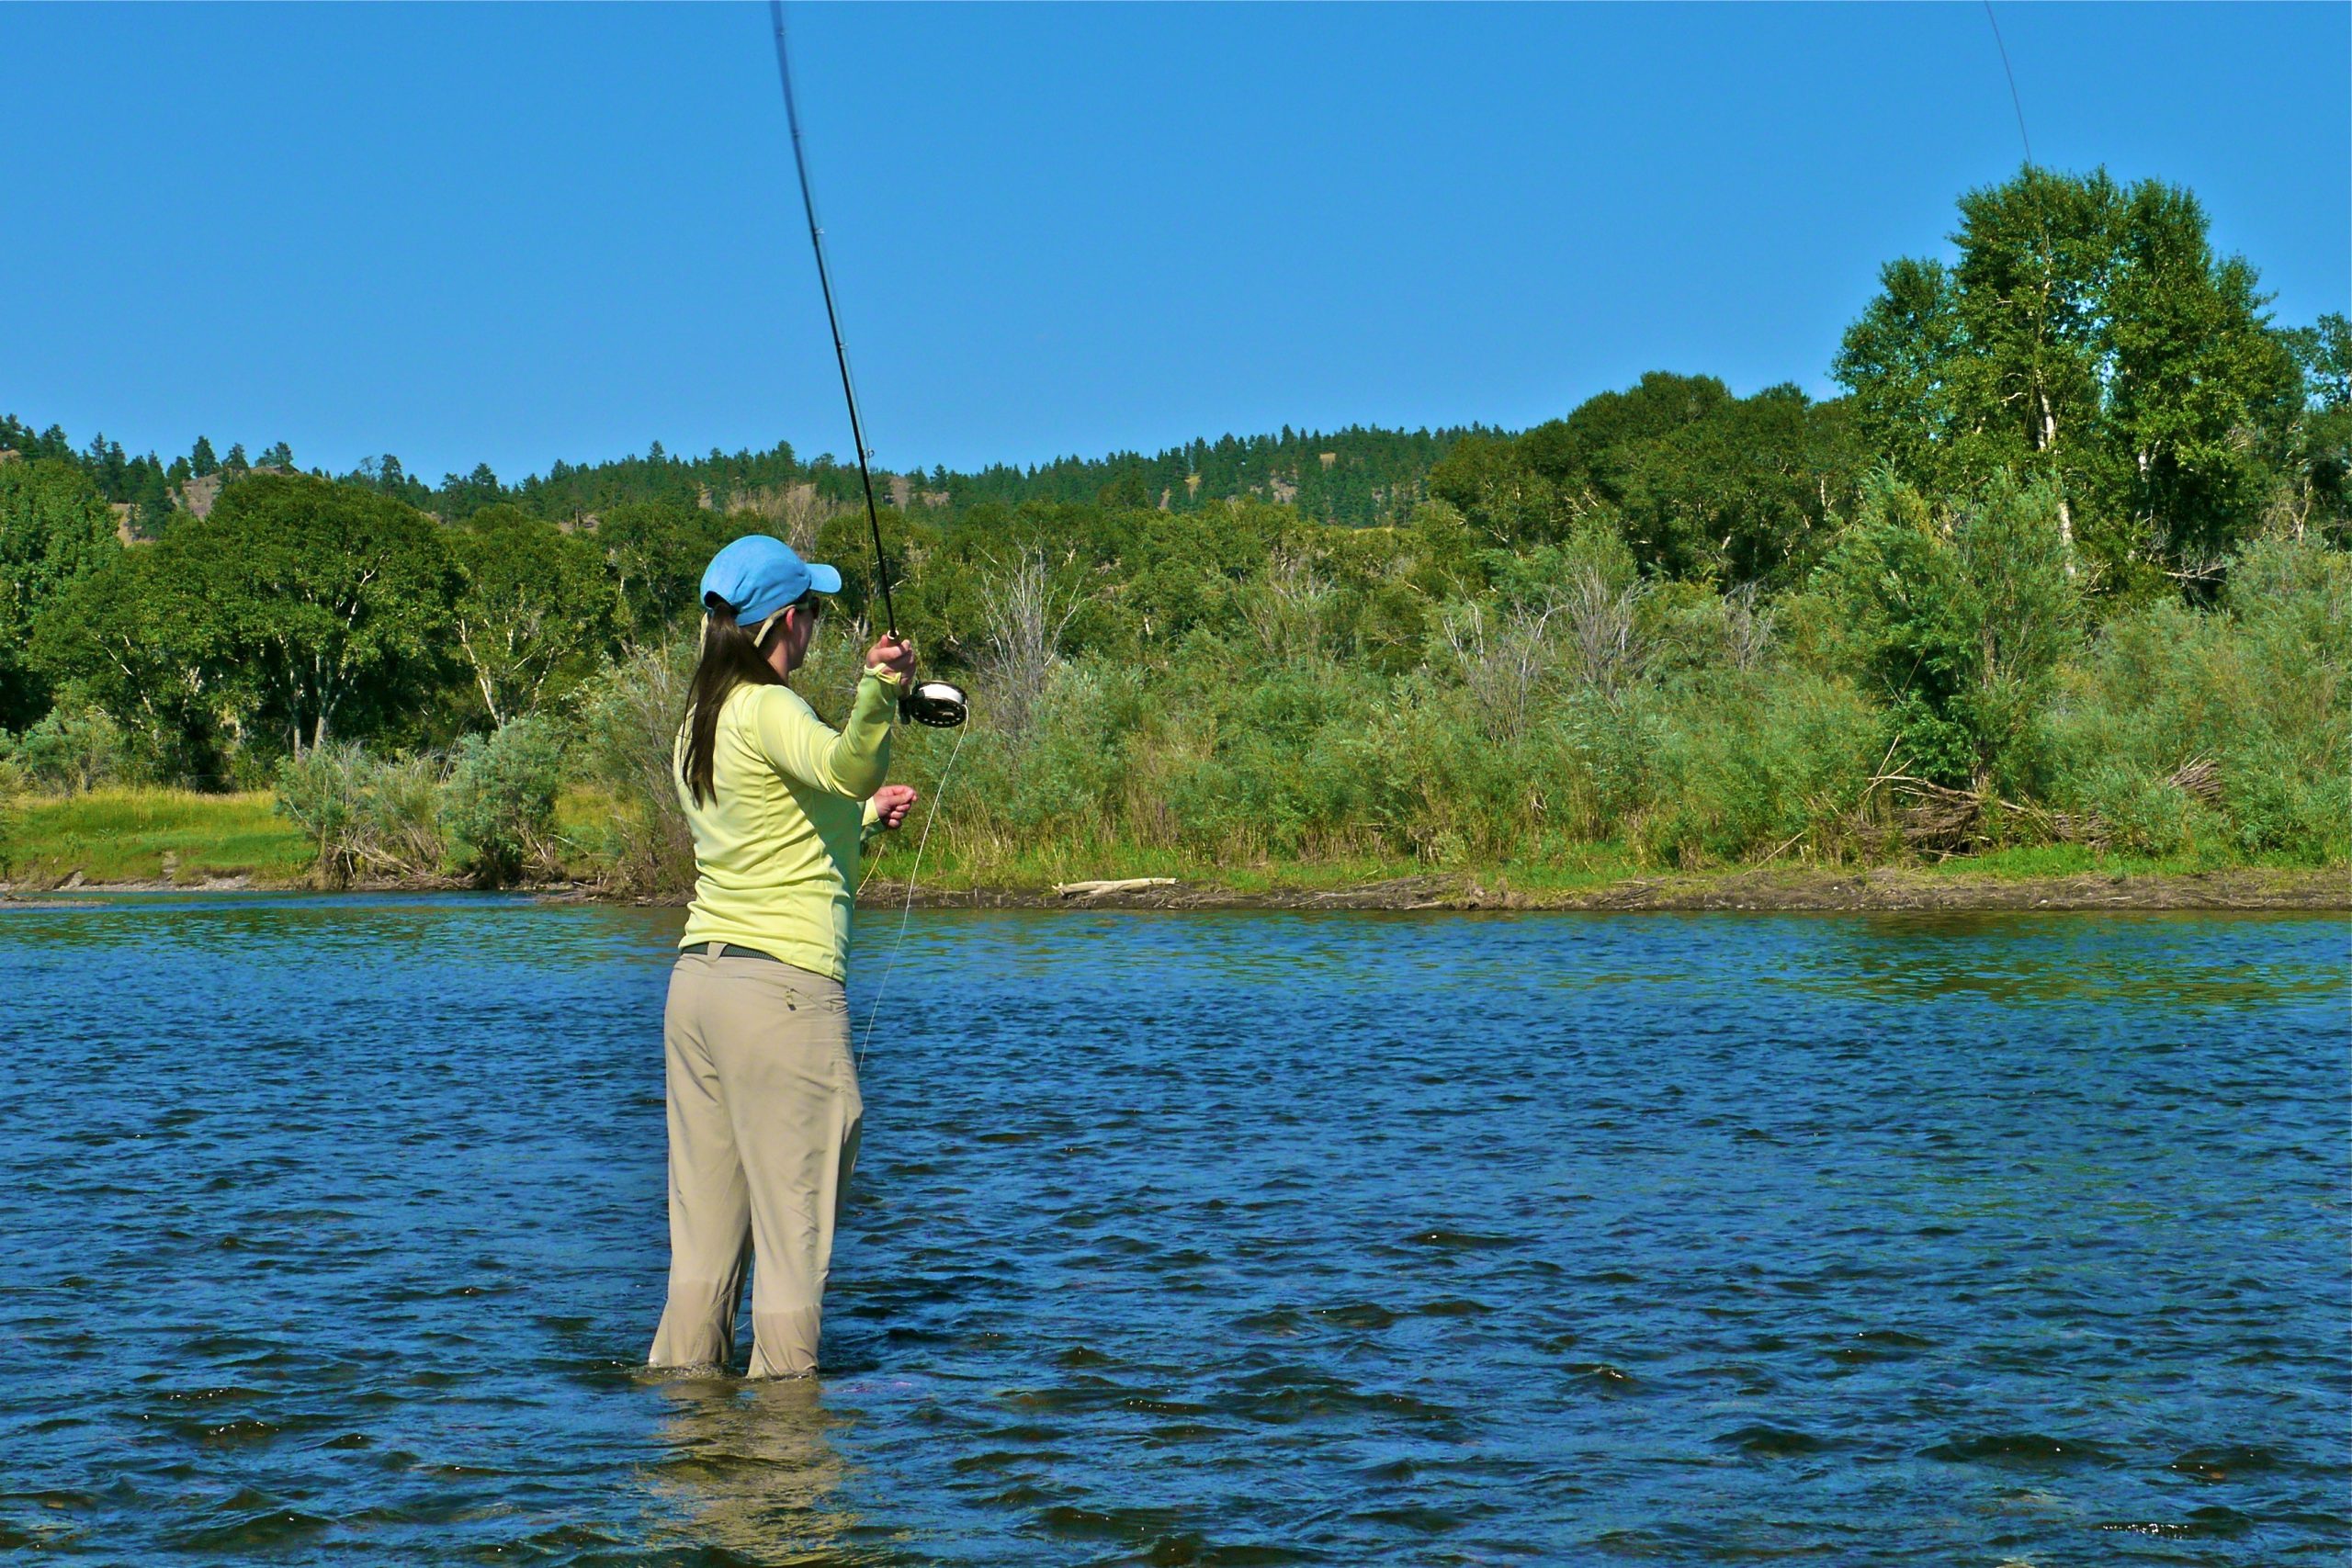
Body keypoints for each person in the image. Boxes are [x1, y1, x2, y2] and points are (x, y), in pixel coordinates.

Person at [647, 534, 918, 1378]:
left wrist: (863, 822)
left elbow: (768, 832)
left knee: (699, 1260)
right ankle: (787, 1464)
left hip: (698, 991)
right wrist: (879, 689)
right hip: (781, 997)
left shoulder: (701, 717)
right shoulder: (771, 706)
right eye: (813, 617)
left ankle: (686, 1454)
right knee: (793, 1252)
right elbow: (844, 766)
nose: (814, 634)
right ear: (786, 622)